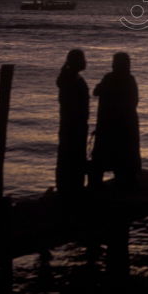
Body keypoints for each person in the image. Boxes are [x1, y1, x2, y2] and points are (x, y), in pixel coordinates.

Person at [90, 52, 140, 189]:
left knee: (101, 160)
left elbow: (96, 91)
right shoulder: (129, 80)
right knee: (123, 160)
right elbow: (134, 102)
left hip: (108, 126)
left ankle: (96, 188)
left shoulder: (109, 78)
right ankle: (125, 184)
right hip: (125, 127)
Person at [56, 49, 88, 196]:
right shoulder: (72, 80)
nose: (85, 61)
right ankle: (72, 189)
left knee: (68, 156)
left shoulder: (70, 78)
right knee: (73, 156)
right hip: (74, 125)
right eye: (83, 59)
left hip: (71, 124)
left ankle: (68, 188)